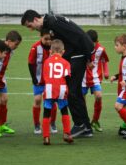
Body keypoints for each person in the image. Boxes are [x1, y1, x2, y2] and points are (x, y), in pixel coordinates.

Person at [21, 9, 94, 138]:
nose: (31, 29)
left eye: (30, 26)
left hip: (79, 54)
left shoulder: (53, 23)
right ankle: (86, 126)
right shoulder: (51, 22)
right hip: (77, 54)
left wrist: (89, 56)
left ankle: (80, 124)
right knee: (75, 91)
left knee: (71, 91)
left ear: (35, 19)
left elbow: (79, 35)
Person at [42, 39, 73, 145]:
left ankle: (46, 137)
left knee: (46, 113)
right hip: (61, 89)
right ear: (63, 52)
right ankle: (66, 133)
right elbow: (68, 77)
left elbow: (45, 77)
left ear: (50, 51)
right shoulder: (66, 63)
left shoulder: (46, 62)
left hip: (50, 89)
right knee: (64, 111)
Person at [28, 28, 58, 134]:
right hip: (39, 80)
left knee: (52, 101)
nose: (48, 41)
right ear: (41, 37)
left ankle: (52, 123)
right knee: (37, 100)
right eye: (46, 39)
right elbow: (31, 64)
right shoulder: (35, 48)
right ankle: (37, 124)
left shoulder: (54, 48)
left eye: (50, 39)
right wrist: (34, 78)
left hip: (51, 80)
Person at [82, 29, 109, 132]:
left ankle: (95, 121)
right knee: (81, 101)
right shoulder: (81, 47)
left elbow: (104, 60)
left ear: (96, 41)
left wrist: (105, 71)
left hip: (95, 77)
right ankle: (85, 122)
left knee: (99, 96)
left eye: (92, 43)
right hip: (83, 78)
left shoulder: (101, 49)